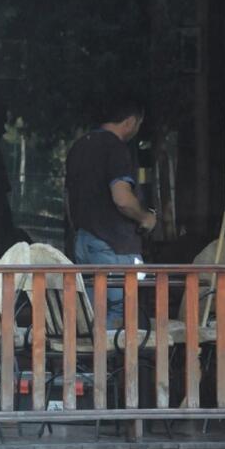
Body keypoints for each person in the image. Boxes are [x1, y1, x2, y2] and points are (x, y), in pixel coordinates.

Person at [65, 98, 156, 329]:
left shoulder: (79, 147)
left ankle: (92, 352)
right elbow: (122, 198)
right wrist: (145, 217)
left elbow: (68, 199)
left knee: (91, 313)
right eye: (139, 124)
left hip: (84, 240)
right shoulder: (116, 148)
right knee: (121, 312)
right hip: (113, 245)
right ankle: (109, 353)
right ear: (131, 121)